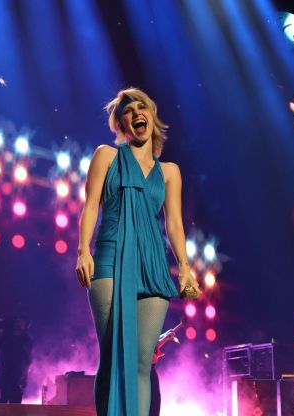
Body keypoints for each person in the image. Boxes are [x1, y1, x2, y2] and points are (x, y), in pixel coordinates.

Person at [75, 88, 200, 416]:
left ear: (152, 116)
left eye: (141, 107)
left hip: (152, 262)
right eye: (127, 111)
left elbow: (174, 223)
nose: (135, 113)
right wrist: (82, 251)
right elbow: (90, 206)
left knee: (143, 360)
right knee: (114, 355)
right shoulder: (107, 156)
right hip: (110, 257)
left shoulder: (170, 171)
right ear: (120, 124)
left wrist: (185, 267)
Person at [0, 316, 32, 404]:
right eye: (17, 321)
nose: (18, 324)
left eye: (21, 322)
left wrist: (24, 378)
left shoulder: (26, 341)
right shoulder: (5, 337)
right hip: (1, 379)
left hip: (16, 380)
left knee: (15, 409)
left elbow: (28, 362)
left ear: (25, 325)